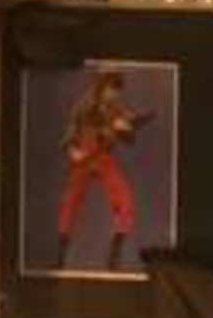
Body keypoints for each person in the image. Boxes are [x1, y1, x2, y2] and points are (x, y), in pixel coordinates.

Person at [55, 66, 152, 269]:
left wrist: (127, 128)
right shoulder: (86, 103)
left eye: (117, 90)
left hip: (103, 155)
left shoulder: (116, 109)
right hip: (84, 153)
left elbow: (127, 136)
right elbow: (74, 127)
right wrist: (73, 148)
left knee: (124, 199)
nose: (114, 94)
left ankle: (114, 253)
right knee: (70, 202)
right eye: (111, 88)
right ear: (103, 86)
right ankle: (61, 252)